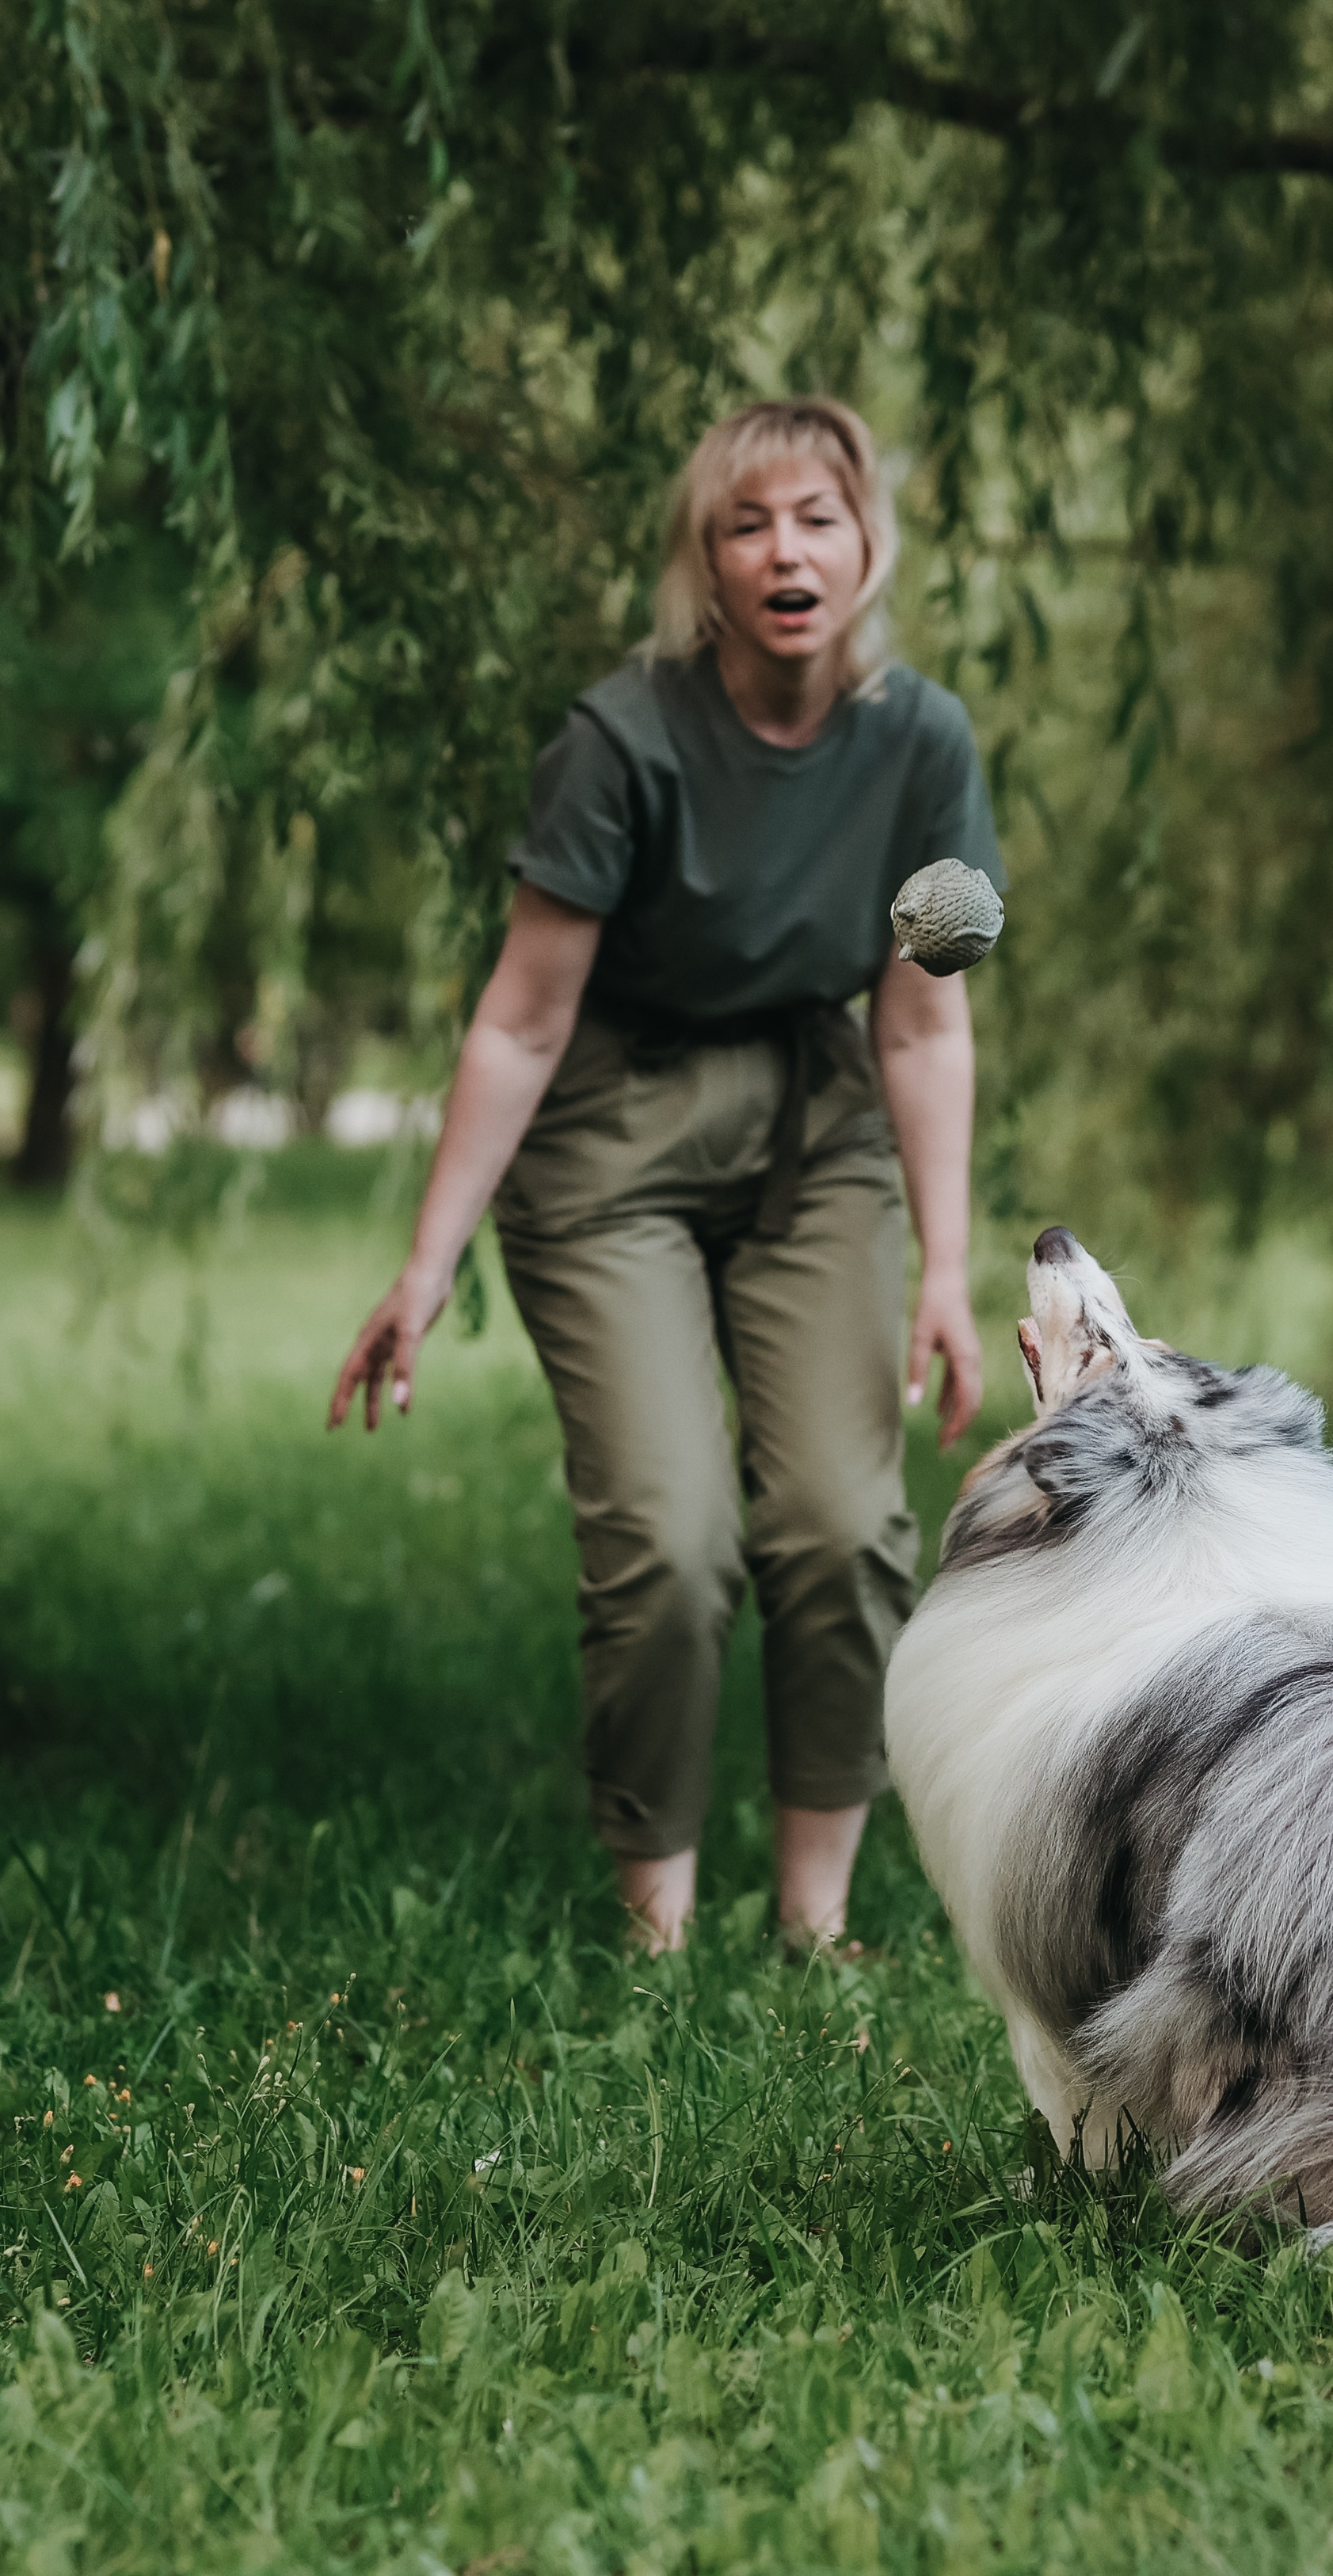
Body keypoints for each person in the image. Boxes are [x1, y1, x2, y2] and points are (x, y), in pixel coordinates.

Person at [328, 398, 1003, 1956]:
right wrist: (424, 1267)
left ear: (866, 544)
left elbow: (922, 1020)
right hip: (610, 1138)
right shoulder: (617, 739)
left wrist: (948, 1268)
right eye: (746, 523)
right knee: (670, 1538)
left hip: (814, 1129)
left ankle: (815, 1927)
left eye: (817, 518)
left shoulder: (927, 744)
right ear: (706, 560)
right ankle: (655, 1931)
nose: (785, 551)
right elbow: (520, 1016)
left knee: (840, 1524)